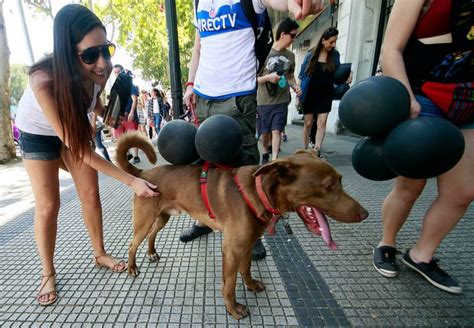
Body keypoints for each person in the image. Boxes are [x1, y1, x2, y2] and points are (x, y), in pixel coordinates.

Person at [14, 4, 159, 306]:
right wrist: (131, 182)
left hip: (72, 128)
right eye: (91, 55)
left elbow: (91, 102)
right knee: (49, 205)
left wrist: (105, 112)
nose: (103, 63)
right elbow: (79, 147)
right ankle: (47, 272)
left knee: (91, 193)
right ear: (69, 54)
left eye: (106, 50)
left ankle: (100, 253)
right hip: (38, 134)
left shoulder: (97, 72)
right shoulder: (44, 81)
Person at [180, 0, 325, 261]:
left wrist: (295, 6)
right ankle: (205, 220)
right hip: (203, 97)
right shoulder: (198, 2)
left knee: (244, 164)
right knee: (206, 163)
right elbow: (198, 48)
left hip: (238, 96)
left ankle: (252, 230)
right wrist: (190, 84)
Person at [372, 0, 473, 294]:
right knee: (409, 186)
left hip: (468, 103)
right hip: (423, 95)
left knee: (462, 192)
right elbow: (391, 48)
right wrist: (406, 99)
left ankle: (421, 254)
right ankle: (386, 242)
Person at [298, 27, 351, 156]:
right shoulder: (311, 55)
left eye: (335, 42)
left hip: (326, 93)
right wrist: (298, 96)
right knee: (308, 123)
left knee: (322, 123)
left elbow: (337, 73)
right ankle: (305, 151)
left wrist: (347, 76)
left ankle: (316, 151)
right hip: (310, 93)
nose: (333, 45)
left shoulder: (335, 55)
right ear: (323, 40)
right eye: (330, 42)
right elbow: (302, 75)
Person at [257, 17, 301, 164]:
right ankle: (265, 152)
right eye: (292, 36)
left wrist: (295, 86)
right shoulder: (263, 52)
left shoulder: (291, 56)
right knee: (265, 134)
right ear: (283, 34)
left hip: (281, 100)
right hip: (264, 101)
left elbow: (290, 76)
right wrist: (268, 77)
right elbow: (253, 80)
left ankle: (275, 160)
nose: (294, 40)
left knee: (277, 130)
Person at [112, 64, 141, 163]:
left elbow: (134, 100)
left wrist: (132, 112)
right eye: (115, 72)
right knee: (120, 138)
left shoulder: (130, 85)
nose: (117, 74)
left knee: (133, 137)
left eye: (118, 72)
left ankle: (136, 156)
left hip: (129, 115)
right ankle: (128, 154)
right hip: (118, 116)